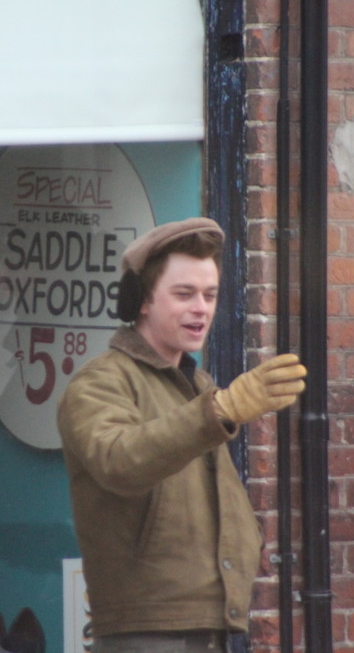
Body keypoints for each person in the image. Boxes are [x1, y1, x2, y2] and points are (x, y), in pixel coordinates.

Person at [57, 217, 307, 652]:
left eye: (210, 295)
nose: (201, 308)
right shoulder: (100, 382)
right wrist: (219, 410)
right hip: (147, 631)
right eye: (184, 294)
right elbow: (119, 461)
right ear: (142, 301)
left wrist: (248, 544)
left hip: (209, 624)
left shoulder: (197, 384)